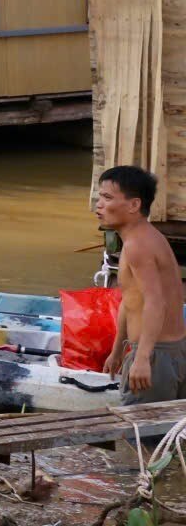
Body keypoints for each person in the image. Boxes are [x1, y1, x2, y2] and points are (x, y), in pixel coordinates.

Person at [97, 165, 186, 402]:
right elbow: (131, 300)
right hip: (172, 351)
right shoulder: (148, 236)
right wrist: (117, 351)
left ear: (134, 205)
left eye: (107, 197)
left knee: (142, 436)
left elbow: (156, 303)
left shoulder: (138, 246)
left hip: (156, 355)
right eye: (100, 197)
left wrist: (144, 358)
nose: (99, 204)